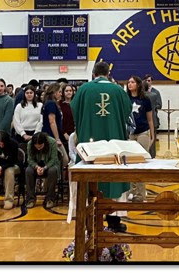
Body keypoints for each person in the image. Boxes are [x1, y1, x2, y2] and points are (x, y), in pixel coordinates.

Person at [71, 61, 133, 232]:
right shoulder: (118, 90)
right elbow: (127, 112)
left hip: (90, 146)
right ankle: (114, 221)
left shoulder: (83, 90)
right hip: (114, 144)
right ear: (108, 73)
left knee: (90, 180)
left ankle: (89, 221)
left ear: (93, 74)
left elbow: (74, 110)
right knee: (114, 180)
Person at [126, 75, 154, 202]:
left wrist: (152, 134)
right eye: (128, 82)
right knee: (130, 162)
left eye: (132, 82)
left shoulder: (145, 99)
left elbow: (150, 119)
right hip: (130, 133)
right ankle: (131, 191)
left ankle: (141, 194)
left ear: (138, 84)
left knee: (141, 162)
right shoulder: (125, 99)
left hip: (143, 132)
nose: (129, 84)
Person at [25, 132, 60, 210]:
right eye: (36, 146)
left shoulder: (52, 142)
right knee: (28, 171)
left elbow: (54, 159)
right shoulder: (30, 144)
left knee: (53, 171)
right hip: (36, 165)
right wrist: (36, 167)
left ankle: (50, 199)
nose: (38, 148)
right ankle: (30, 199)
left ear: (45, 142)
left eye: (40, 146)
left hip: (49, 164)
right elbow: (30, 160)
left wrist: (44, 168)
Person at [143, 74, 162, 157]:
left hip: (152, 117)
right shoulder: (140, 93)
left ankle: (152, 157)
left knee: (152, 140)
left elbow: (159, 104)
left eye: (149, 80)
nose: (148, 82)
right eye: (146, 80)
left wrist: (152, 107)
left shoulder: (156, 92)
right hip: (143, 119)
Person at [41, 83, 64, 147]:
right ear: (54, 92)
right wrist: (57, 139)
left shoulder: (49, 103)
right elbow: (52, 121)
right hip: (51, 135)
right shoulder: (51, 103)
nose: (61, 94)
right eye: (59, 92)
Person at [59, 83, 75, 148]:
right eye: (66, 91)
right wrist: (64, 133)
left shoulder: (76, 103)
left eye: (70, 91)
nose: (69, 92)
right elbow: (60, 120)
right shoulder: (60, 104)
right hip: (63, 132)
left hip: (74, 132)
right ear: (63, 92)